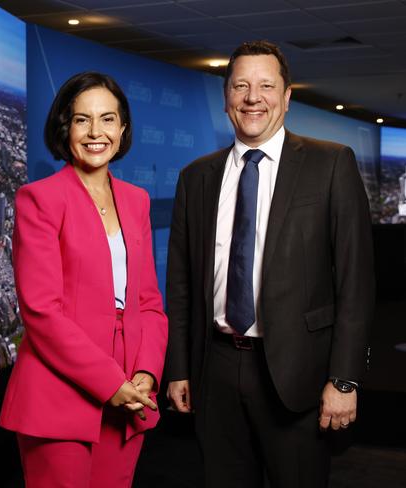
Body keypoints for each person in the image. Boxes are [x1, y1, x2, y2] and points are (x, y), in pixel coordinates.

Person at [165, 40, 374, 487]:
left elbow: (356, 283)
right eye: (240, 86)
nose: (252, 97)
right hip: (215, 369)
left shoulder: (331, 164)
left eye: (265, 85)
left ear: (287, 95)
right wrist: (179, 368)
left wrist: (345, 380)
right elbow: (181, 284)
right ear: (226, 99)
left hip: (299, 373)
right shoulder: (196, 177)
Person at [0, 71, 168, 487]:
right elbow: (42, 313)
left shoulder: (136, 200)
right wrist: (110, 382)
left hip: (130, 392)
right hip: (60, 394)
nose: (96, 132)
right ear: (65, 127)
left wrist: (147, 371)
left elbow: (148, 302)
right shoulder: (40, 198)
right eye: (82, 120)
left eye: (108, 119)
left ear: (123, 128)